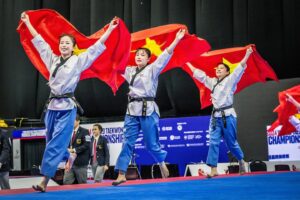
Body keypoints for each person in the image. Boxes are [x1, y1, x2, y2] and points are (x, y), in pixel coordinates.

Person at [20, 12, 118, 192]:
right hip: (51, 107)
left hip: (67, 108)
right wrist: (27, 23)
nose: (64, 45)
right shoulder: (52, 59)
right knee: (50, 140)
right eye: (61, 43)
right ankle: (69, 155)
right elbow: (39, 42)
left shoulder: (78, 61)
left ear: (73, 47)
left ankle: (44, 180)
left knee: (55, 143)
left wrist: (110, 30)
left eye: (67, 43)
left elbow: (97, 47)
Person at [112, 29, 186, 186]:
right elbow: (116, 63)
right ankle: (121, 173)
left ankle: (161, 162)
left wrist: (176, 40)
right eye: (137, 54)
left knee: (151, 144)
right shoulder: (130, 70)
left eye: (142, 55)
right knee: (127, 142)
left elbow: (165, 55)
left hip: (148, 110)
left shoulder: (153, 69)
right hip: (131, 110)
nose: (139, 57)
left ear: (148, 59)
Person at [187, 47, 253, 178]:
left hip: (228, 116)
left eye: (221, 68)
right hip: (215, 117)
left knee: (232, 143)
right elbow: (201, 76)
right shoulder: (212, 82)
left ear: (228, 72)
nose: (218, 69)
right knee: (213, 142)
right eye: (217, 68)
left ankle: (241, 160)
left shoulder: (231, 81)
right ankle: (213, 169)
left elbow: (240, 68)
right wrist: (187, 62)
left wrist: (247, 55)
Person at [63, 114, 91, 185]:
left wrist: (74, 150)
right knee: (66, 182)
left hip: (80, 163)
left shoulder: (85, 131)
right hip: (70, 163)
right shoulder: (68, 132)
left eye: (73, 121)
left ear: (78, 121)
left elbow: (87, 145)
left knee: (82, 183)